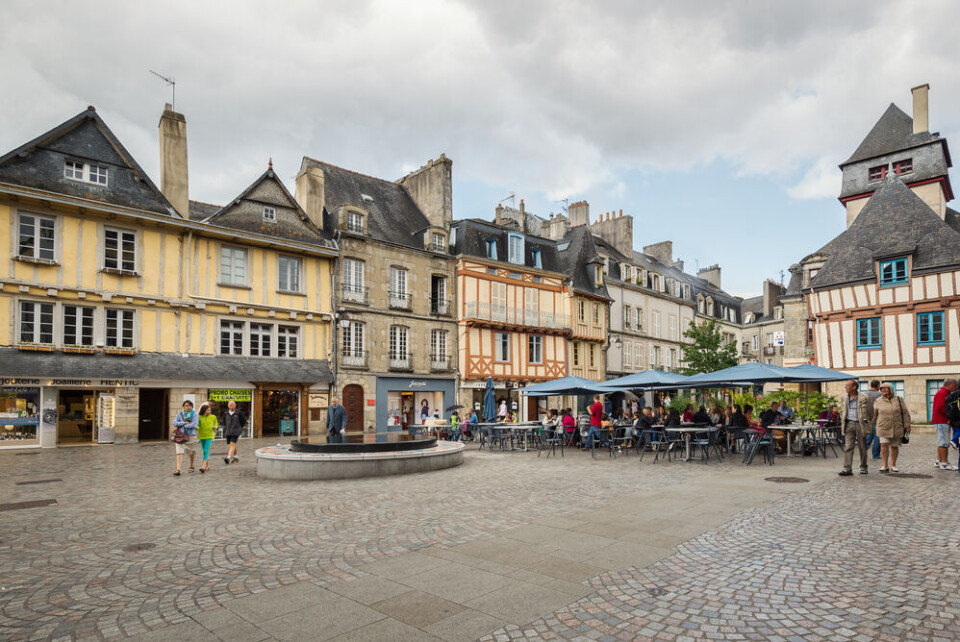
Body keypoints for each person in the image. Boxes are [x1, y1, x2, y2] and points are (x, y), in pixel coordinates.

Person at [873, 382, 911, 473]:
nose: (883, 390)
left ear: (891, 389)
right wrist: (869, 425)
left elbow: (905, 413)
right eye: (882, 389)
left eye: (886, 388)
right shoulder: (878, 400)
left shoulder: (898, 399)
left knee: (894, 446)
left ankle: (893, 465)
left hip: (896, 426)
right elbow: (874, 415)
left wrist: (907, 425)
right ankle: (884, 465)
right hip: (883, 426)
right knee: (884, 444)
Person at [838, 380, 874, 476]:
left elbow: (871, 412)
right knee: (848, 446)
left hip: (860, 424)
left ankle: (863, 467)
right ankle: (847, 468)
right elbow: (843, 410)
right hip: (848, 424)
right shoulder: (844, 397)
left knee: (862, 446)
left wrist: (867, 422)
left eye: (847, 386)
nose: (845, 387)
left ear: (854, 387)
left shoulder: (864, 397)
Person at [931, 378, 958, 471]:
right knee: (944, 442)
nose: (955, 387)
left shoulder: (943, 393)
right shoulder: (943, 393)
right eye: (955, 385)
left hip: (941, 421)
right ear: (950, 385)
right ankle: (944, 463)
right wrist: (951, 414)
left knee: (941, 441)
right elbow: (941, 408)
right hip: (942, 421)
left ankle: (939, 460)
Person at [172, 400, 199, 476]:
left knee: (191, 452)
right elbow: (174, 423)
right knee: (179, 452)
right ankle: (178, 469)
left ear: (192, 407)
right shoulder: (179, 414)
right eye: (186, 405)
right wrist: (184, 423)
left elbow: (194, 425)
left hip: (191, 436)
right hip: (180, 436)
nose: (188, 407)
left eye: (190, 405)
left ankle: (191, 465)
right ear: (183, 406)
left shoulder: (195, 415)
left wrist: (184, 425)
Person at [862, 380, 883, 461]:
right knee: (877, 438)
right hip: (877, 419)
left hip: (866, 419)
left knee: (868, 437)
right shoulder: (879, 395)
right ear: (878, 386)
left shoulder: (864, 394)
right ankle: (876, 455)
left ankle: (863, 452)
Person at [222, 400, 246, 465]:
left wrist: (239, 427)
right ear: (228, 406)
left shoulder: (239, 413)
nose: (231, 407)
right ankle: (236, 457)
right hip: (228, 431)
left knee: (232, 443)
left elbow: (243, 421)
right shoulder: (226, 413)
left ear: (235, 405)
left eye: (233, 405)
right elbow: (224, 422)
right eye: (230, 405)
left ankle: (228, 457)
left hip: (236, 431)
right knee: (232, 444)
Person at [196, 403, 218, 474]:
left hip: (209, 435)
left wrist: (215, 427)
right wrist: (196, 428)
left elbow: (216, 424)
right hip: (201, 435)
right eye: (209, 410)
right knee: (204, 451)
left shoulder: (213, 417)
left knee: (206, 450)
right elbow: (198, 425)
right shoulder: (199, 417)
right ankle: (207, 465)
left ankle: (203, 466)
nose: (210, 411)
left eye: (210, 409)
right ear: (205, 411)